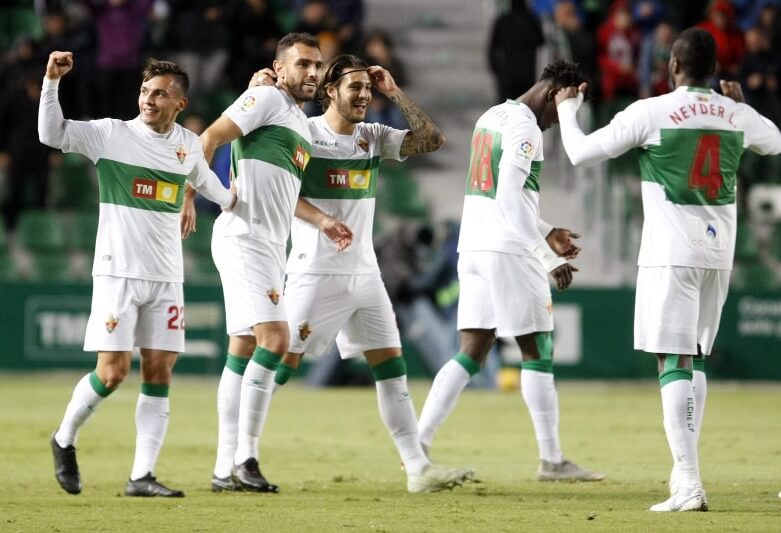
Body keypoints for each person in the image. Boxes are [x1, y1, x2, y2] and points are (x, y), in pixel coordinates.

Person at [554, 27, 781, 511]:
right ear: (715, 71)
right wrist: (741, 106)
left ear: (672, 66)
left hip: (671, 253)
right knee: (694, 357)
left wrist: (566, 109)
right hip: (718, 256)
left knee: (671, 361)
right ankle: (686, 474)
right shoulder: (736, 114)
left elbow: (579, 153)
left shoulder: (651, 111)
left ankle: (689, 483)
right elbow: (776, 141)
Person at [249, 54, 474, 493]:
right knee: (283, 360)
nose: (364, 96)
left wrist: (394, 91)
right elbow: (279, 194)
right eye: (356, 88)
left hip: (365, 275)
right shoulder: (303, 134)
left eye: (368, 90)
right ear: (330, 91)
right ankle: (240, 453)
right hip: (316, 271)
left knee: (391, 365)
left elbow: (432, 139)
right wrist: (322, 221)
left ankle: (417, 469)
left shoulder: (372, 137)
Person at [40, 51, 238, 497]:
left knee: (159, 371)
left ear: (179, 103)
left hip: (167, 277)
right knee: (111, 372)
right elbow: (51, 133)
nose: (150, 100)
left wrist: (230, 199)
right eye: (146, 92)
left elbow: (208, 185)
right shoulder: (111, 134)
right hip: (118, 274)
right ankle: (64, 438)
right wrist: (51, 82)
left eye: (161, 94)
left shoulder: (187, 145)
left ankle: (141, 476)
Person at [416, 59, 605, 484]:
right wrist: (547, 256)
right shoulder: (527, 130)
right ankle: (552, 460)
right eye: (569, 107)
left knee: (472, 350)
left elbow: (502, 199)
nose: (562, 122)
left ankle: (419, 444)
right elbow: (509, 200)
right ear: (563, 91)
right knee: (537, 347)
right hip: (507, 250)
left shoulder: (494, 115)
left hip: (474, 247)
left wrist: (547, 229)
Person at [182, 32, 351, 494]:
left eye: (317, 65)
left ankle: (224, 469)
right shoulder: (267, 98)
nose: (313, 73)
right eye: (303, 65)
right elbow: (210, 137)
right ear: (281, 69)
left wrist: (321, 220)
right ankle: (246, 458)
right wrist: (190, 194)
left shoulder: (296, 121)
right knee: (275, 339)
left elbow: (285, 193)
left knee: (242, 350)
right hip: (245, 237)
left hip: (266, 244)